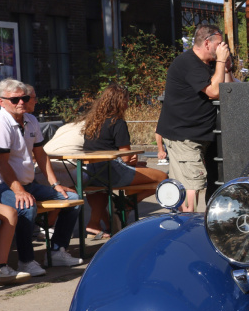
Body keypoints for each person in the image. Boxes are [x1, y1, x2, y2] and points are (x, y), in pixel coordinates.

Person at [0, 79, 83, 274]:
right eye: (15, 99)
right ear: (1, 102)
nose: (21, 102)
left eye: (25, 98)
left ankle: (57, 251)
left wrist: (55, 184)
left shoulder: (30, 119)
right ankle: (26, 261)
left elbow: (41, 155)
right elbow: (1, 162)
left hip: (27, 183)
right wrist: (18, 191)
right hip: (1, 185)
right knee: (26, 206)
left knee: (72, 199)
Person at [156, 24, 233, 212]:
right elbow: (214, 91)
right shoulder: (188, 62)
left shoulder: (211, 64)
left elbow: (229, 92)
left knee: (204, 183)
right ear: (207, 43)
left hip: (204, 135)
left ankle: (192, 222)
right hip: (185, 136)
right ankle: (187, 223)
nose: (222, 47)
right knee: (191, 186)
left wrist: (226, 67)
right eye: (219, 43)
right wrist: (220, 62)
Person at [81, 84, 167, 237]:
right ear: (119, 102)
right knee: (163, 178)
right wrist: (134, 162)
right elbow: (126, 157)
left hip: (92, 172)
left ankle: (95, 223)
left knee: (99, 189)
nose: (128, 104)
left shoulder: (92, 123)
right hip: (113, 172)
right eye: (126, 100)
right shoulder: (117, 122)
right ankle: (128, 204)